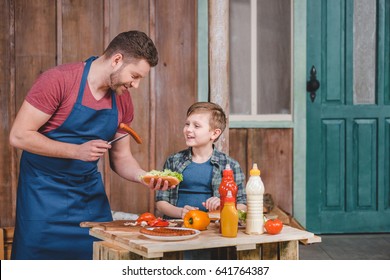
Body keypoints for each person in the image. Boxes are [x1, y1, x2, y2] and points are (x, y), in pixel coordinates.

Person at [9, 30, 174, 260]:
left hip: (87, 198)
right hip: (41, 197)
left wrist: (143, 176)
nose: (135, 85)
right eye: (135, 76)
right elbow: (19, 135)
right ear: (117, 60)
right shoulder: (59, 80)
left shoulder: (122, 98)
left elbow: (121, 158)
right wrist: (76, 151)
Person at [156, 102, 247, 219]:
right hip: (176, 225)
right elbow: (161, 202)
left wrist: (224, 205)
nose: (188, 129)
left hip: (212, 228)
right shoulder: (174, 161)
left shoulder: (230, 165)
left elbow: (243, 204)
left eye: (196, 126)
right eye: (187, 124)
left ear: (214, 133)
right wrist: (181, 213)